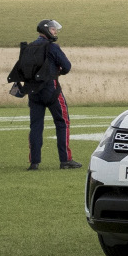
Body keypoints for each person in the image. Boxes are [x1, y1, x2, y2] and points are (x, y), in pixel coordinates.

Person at [17, 19, 80, 171]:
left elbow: (21, 69)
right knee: (62, 123)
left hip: (33, 92)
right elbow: (67, 66)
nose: (55, 32)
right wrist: (58, 71)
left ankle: (34, 163)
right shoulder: (52, 47)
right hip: (51, 91)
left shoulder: (29, 47)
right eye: (53, 29)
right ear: (46, 30)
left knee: (36, 127)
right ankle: (65, 160)